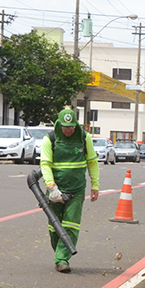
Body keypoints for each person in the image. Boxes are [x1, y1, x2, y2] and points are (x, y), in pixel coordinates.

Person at [38, 107, 99, 273]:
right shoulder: (49, 139)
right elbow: (45, 164)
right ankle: (60, 253)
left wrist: (95, 185)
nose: (68, 131)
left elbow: (92, 162)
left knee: (71, 224)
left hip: (77, 190)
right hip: (55, 189)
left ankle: (62, 259)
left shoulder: (84, 138)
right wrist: (51, 187)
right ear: (59, 125)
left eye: (71, 127)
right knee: (54, 227)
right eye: (65, 128)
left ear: (76, 125)